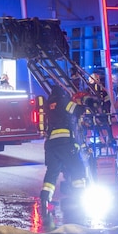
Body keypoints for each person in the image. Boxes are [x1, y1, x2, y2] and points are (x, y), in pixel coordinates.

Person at [39, 87, 88, 219]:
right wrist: (85, 105)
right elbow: (77, 110)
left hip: (51, 145)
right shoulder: (64, 100)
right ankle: (80, 197)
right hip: (65, 143)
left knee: (52, 173)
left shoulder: (49, 105)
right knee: (76, 168)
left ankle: (45, 198)